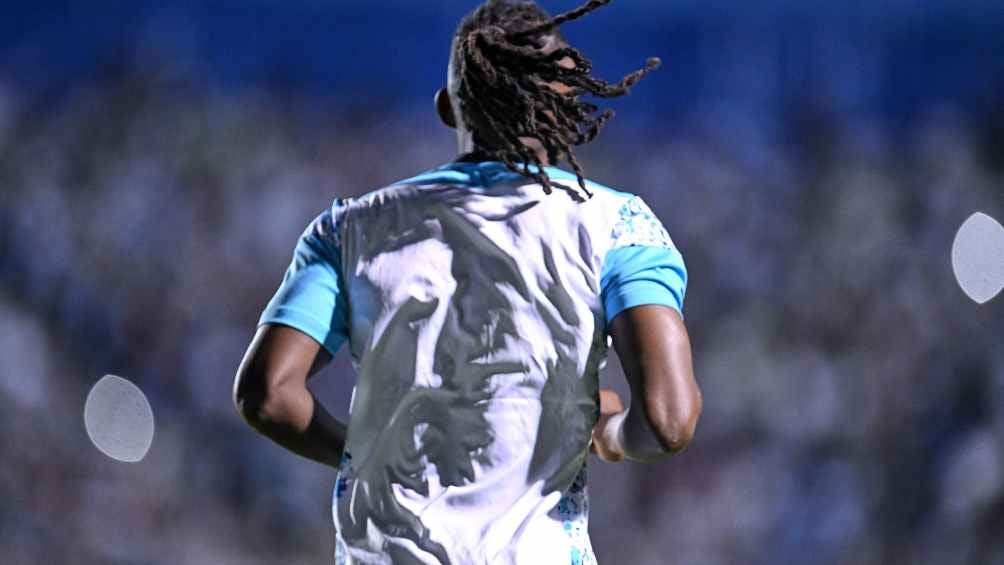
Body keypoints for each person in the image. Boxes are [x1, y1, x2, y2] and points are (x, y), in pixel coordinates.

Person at [233, 0, 701, 563]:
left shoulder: (350, 228)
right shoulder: (620, 228)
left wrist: (372, 459)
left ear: (447, 109)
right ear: (567, 100)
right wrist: (608, 435)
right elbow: (669, 421)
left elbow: (268, 394)